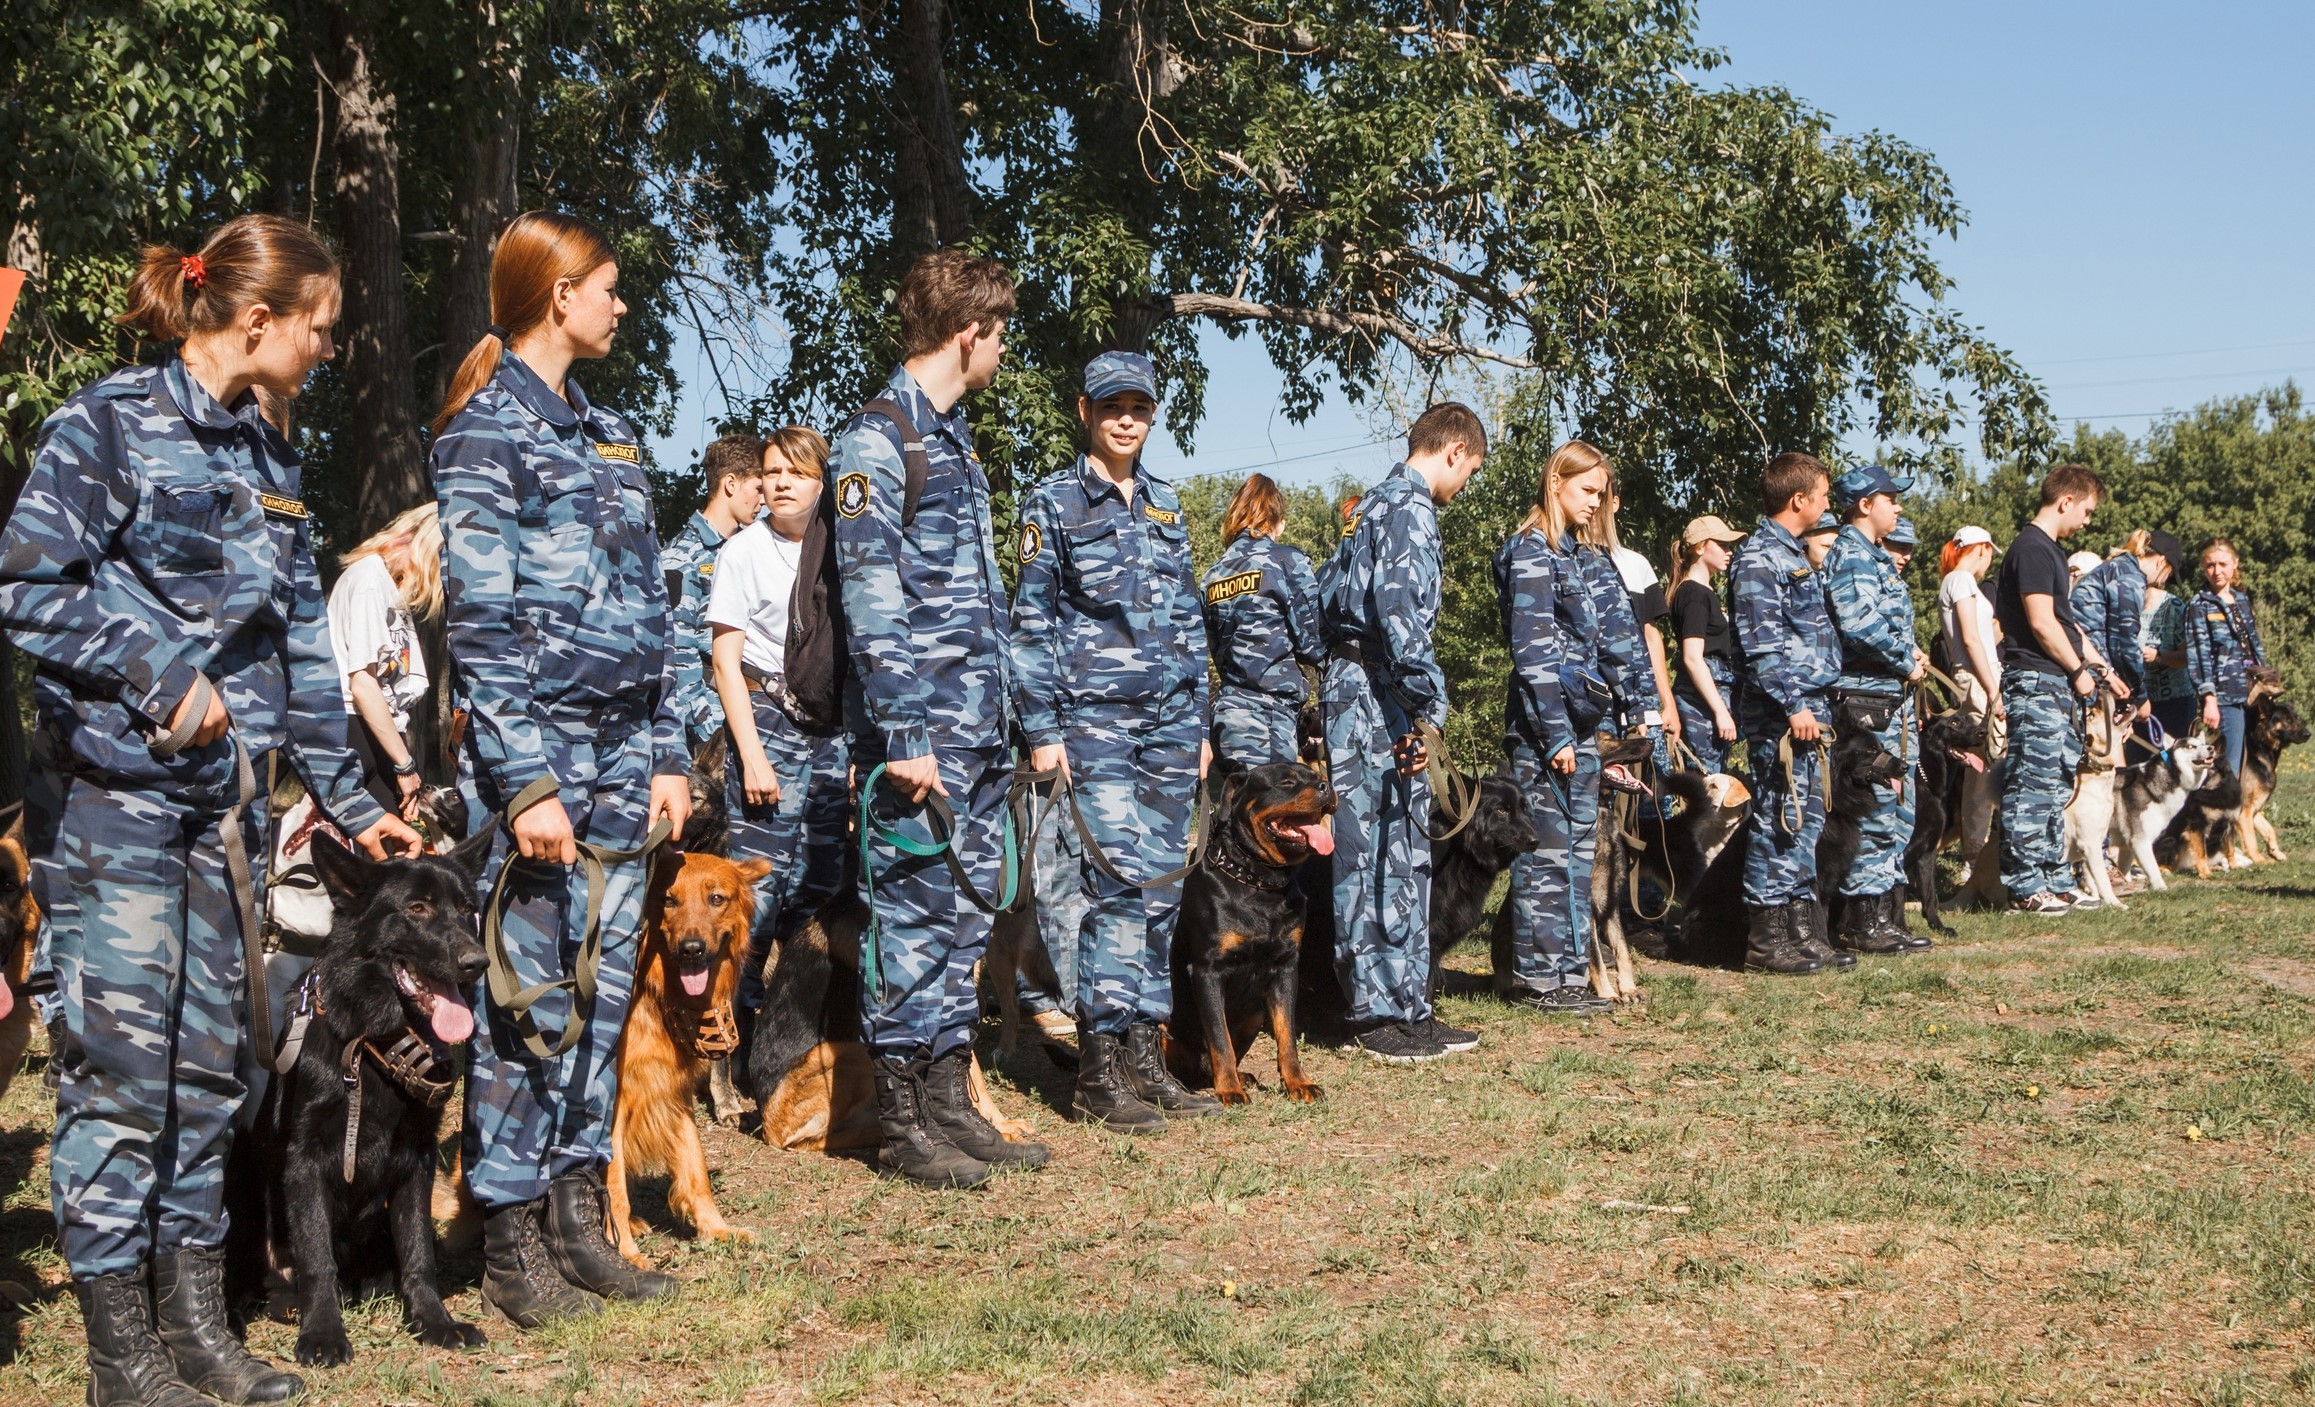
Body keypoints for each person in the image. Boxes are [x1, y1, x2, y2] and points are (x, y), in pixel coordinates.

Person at [0, 215, 419, 1406]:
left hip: (220, 826)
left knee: (208, 1080)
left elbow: (295, 645)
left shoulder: (274, 457)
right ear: (257, 320)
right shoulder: (108, 422)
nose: (328, 350)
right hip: (116, 814)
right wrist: (158, 675)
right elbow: (27, 583)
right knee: (121, 1081)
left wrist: (351, 804)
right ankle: (120, 1358)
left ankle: (195, 1330)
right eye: (321, 329)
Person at [433, 210, 694, 1324]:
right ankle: (507, 1237)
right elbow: (481, 629)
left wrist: (673, 749)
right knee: (531, 998)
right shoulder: (484, 434)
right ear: (558, 296)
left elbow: (657, 607)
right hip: (544, 753)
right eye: (609, 287)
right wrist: (525, 782)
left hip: (627, 756)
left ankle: (578, 1219)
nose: (621, 305)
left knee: (595, 996)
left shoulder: (613, 434)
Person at [833, 249, 1049, 1187]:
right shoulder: (877, 441)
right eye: (1000, 337)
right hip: (918, 739)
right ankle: (902, 1116)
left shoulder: (953, 441)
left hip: (975, 732)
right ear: (972, 333)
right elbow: (872, 599)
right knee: (911, 923)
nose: (1001, 352)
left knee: (962, 923)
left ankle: (949, 1095)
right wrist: (907, 734)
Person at [1014, 352, 1221, 1131]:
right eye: (1111, 407)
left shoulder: (1168, 504)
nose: (1125, 419)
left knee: (1163, 887)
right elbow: (1029, 624)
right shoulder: (1053, 502)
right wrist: (1040, 730)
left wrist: (1199, 724)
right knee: (1115, 887)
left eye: (1138, 405)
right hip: (1092, 722)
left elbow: (1189, 620)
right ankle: (1099, 1070)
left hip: (1171, 725)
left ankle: (1145, 1056)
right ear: (1085, 412)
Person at [1318, 403, 1486, 1061]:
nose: (1464, 485)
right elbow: (1401, 620)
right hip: (1374, 690)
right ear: (1453, 452)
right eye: (1468, 471)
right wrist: (1429, 704)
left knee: (1400, 845)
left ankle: (1407, 1003)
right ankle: (1373, 1012)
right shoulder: (1407, 509)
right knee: (1371, 847)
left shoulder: (1372, 507)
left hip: (1371, 687)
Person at [1494, 441, 1649, 1013]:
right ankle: (1538, 982)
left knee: (1580, 855)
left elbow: (1608, 639)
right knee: (1545, 854)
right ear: (1556, 481)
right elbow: (1532, 651)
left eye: (1602, 494)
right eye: (1588, 490)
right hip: (1545, 730)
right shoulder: (1530, 552)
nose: (1596, 503)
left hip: (1584, 725)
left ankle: (1567, 976)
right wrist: (1556, 733)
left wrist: (1634, 705)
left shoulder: (1577, 556)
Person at [707, 426, 850, 1015]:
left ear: (823, 482)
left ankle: (790, 1019)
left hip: (831, 733)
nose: (782, 482)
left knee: (819, 884)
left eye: (797, 471)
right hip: (769, 722)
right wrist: (752, 755)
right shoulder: (744, 551)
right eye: (772, 472)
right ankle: (729, 1029)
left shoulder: (842, 550)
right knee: (758, 893)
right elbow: (724, 663)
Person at [1727, 452, 1842, 975]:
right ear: (1799, 500)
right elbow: (1761, 649)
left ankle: (1801, 932)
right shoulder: (1760, 559)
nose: (1825, 502)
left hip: (1810, 707)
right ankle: (1766, 940)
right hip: (1783, 712)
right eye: (1821, 494)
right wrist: (1794, 704)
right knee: (1780, 816)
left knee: (1806, 821)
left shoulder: (1792, 554)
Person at [1993, 463, 2114, 915]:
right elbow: (2042, 623)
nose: (2087, 520)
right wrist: (2079, 671)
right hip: (2037, 679)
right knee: (2031, 782)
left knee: (2057, 782)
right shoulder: (2032, 550)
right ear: (2066, 501)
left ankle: (2054, 878)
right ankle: (2024, 886)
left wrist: (2101, 667)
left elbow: (2067, 623)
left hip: (2057, 681)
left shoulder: (2053, 553)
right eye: (2086, 510)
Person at [1820, 466, 1930, 955]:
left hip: (1888, 695)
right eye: (1891, 498)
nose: (1898, 506)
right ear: (1865, 504)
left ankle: (1886, 916)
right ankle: (1865, 923)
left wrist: (1913, 657)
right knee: (1879, 806)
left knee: (1899, 807)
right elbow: (1859, 624)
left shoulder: (1875, 558)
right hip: (1867, 700)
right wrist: (1906, 660)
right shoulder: (1852, 556)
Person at [1202, 472, 1325, 772]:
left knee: (1242, 815)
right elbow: (1314, 643)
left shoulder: (1213, 575)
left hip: (1228, 718)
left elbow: (1217, 652)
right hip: (1268, 719)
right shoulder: (1285, 561)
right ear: (1277, 520)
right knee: (1275, 816)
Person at [329, 503, 443, 817]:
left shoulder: (389, 585)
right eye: (439, 557)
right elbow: (363, 685)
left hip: (381, 734)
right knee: (380, 856)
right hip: (357, 728)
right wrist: (405, 766)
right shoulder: (369, 579)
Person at [664, 432, 767, 752]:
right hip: (710, 732)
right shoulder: (683, 557)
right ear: (731, 484)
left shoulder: (746, 551)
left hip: (749, 717)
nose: (764, 500)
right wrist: (712, 728)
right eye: (758, 489)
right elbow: (677, 652)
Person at [1937, 526, 2005, 877]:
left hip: (1982, 676)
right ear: (1982, 550)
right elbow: (1971, 640)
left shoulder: (1964, 584)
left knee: (1987, 767)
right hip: (1978, 681)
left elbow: (1984, 637)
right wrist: (1993, 691)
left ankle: (1980, 856)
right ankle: (1975, 859)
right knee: (1985, 770)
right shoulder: (1961, 581)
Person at [2072, 529, 2182, 746]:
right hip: (2085, 673)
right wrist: (2140, 698)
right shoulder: (2130, 578)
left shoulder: (2116, 567)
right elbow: (2124, 644)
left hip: (2082, 666)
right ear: (2162, 562)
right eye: (2168, 575)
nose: (2162, 583)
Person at [2186, 537, 2268, 776]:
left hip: (2252, 693)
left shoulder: (2241, 600)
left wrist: (2267, 680)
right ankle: (2222, 811)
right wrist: (2209, 698)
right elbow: (2198, 655)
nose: (2217, 571)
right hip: (2224, 697)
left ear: (2235, 563)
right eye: (2210, 565)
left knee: (2253, 763)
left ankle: (2244, 811)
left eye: (2223, 564)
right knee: (2228, 766)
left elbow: (2254, 645)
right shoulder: (2199, 605)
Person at [2142, 558, 2199, 747]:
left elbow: (2187, 657)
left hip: (2175, 701)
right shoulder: (2127, 605)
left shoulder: (2174, 607)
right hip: (2140, 701)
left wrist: (2158, 656)